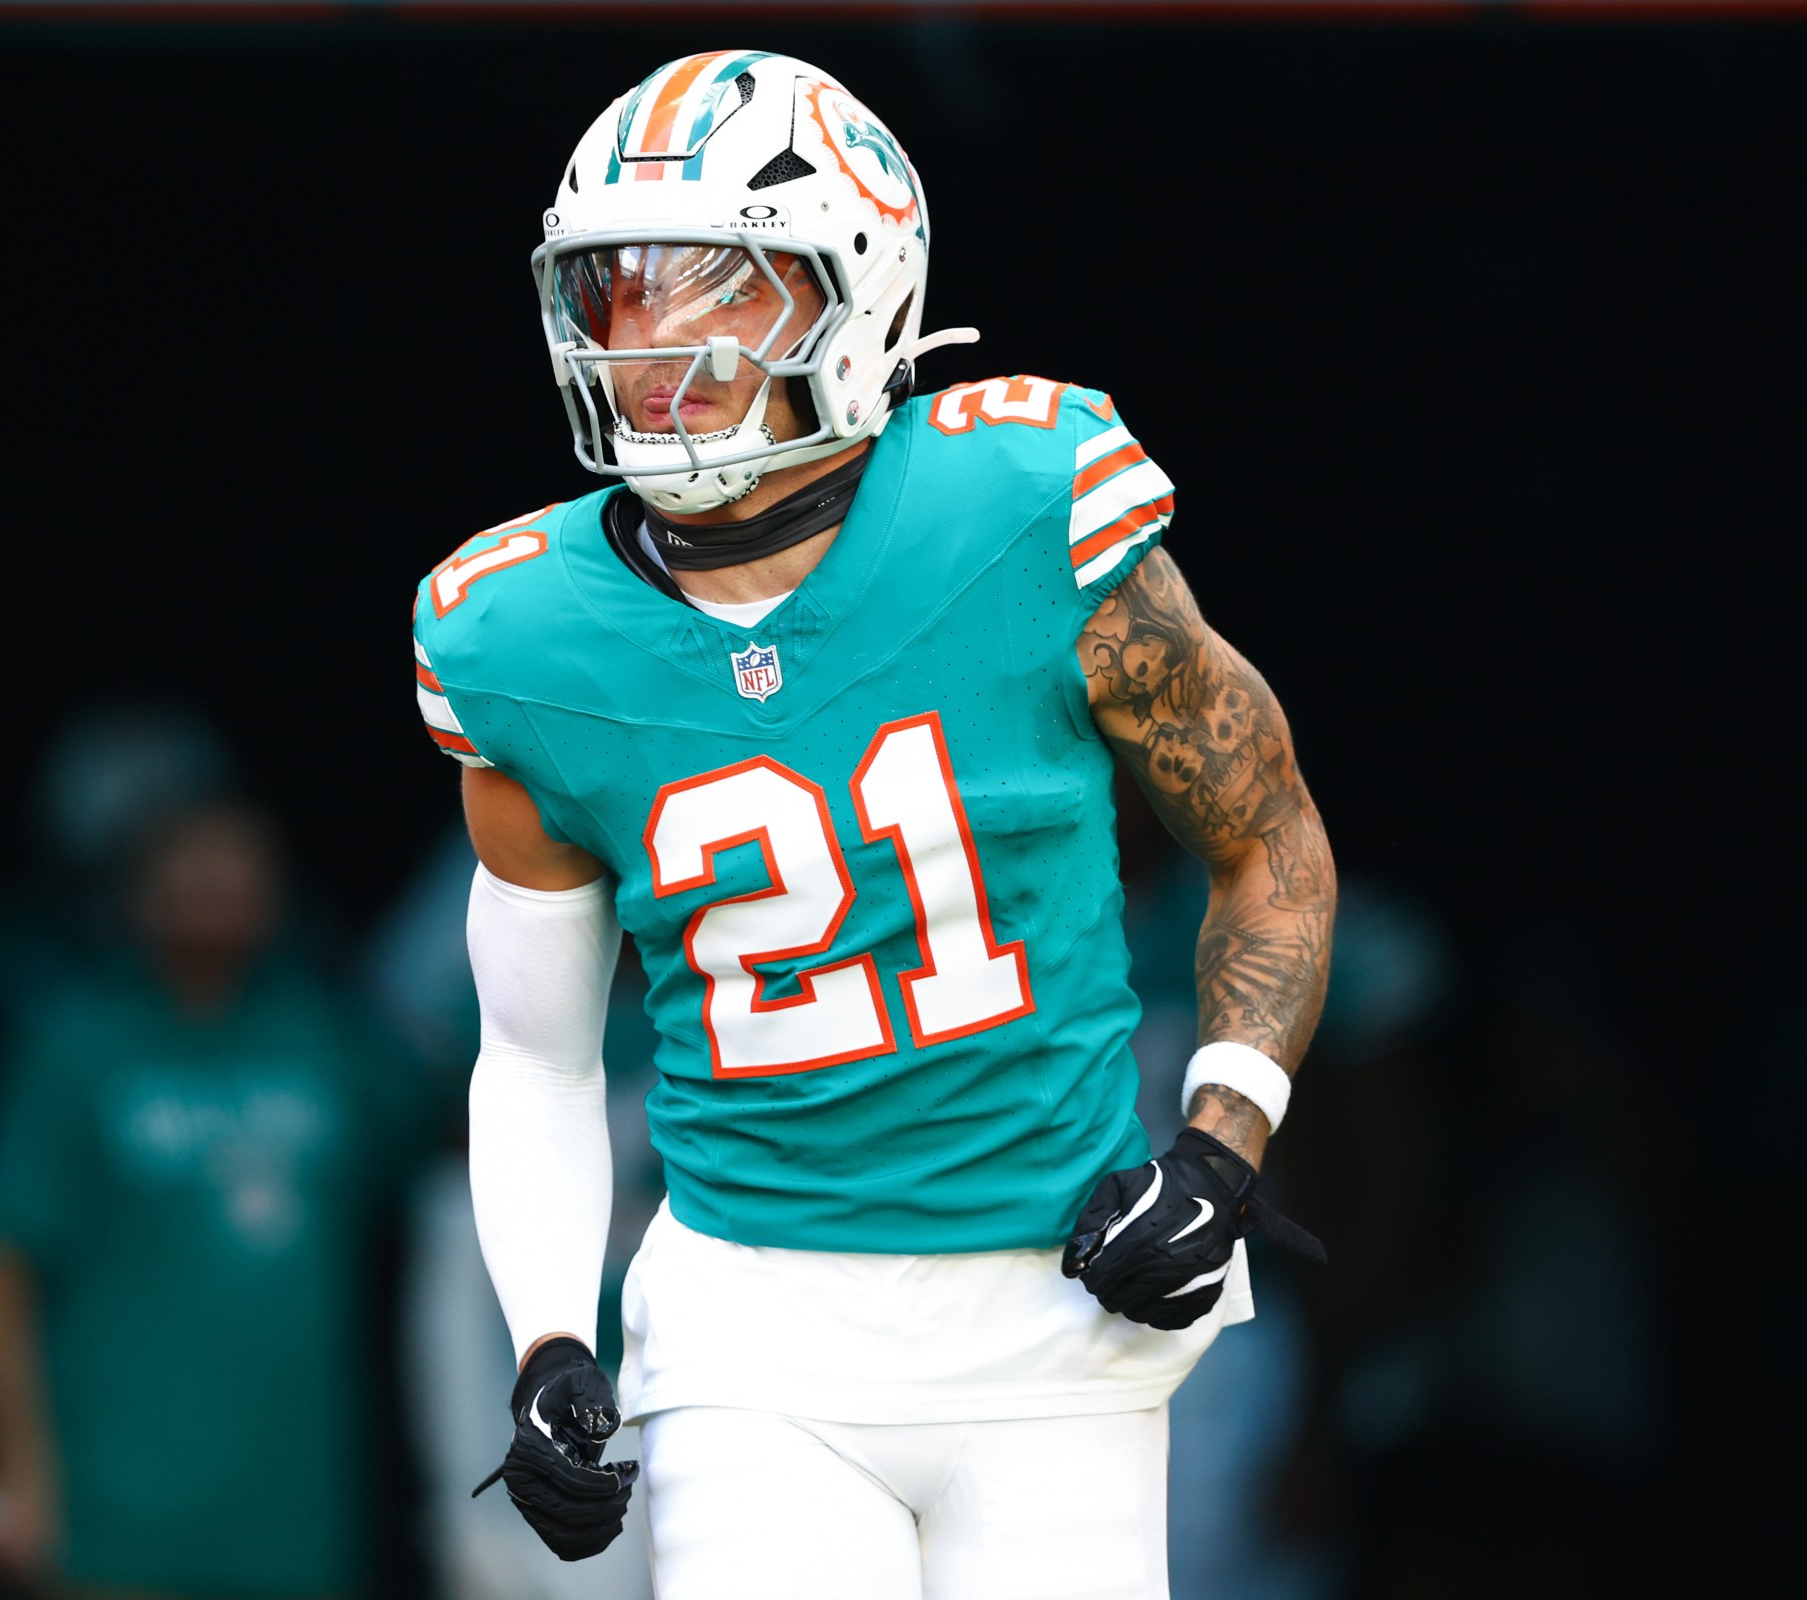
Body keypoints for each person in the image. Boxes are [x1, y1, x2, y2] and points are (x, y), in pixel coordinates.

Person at [411, 51, 1336, 1598]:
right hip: (750, 1320)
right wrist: (553, 1331)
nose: (660, 342)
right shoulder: (516, 635)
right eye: (620, 291)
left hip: (1062, 1304)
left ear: (863, 293)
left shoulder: (1026, 500)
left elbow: (1269, 839)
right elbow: (538, 1052)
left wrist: (1222, 1138)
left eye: (727, 288)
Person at [0, 802, 408, 1600]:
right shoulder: (78, 1044)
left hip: (298, 1525)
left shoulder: (330, 1037)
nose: (214, 882)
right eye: (186, 861)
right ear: (133, 891)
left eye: (238, 859)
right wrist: (18, 1470)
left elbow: (457, 1187)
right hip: (116, 1520)